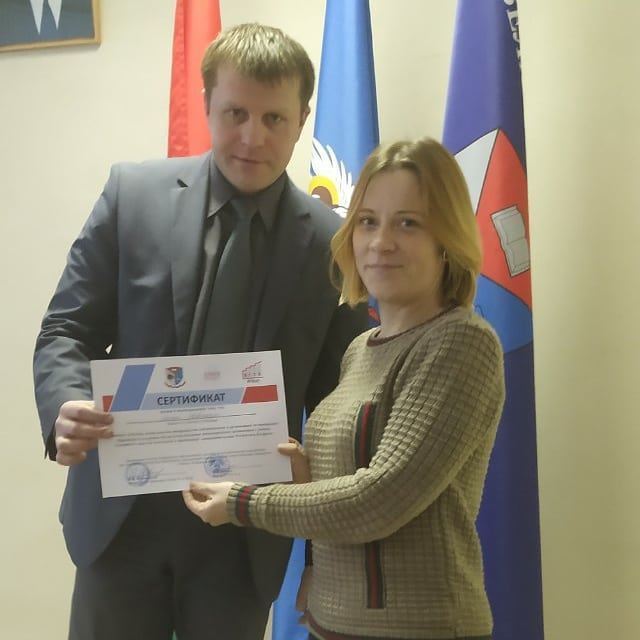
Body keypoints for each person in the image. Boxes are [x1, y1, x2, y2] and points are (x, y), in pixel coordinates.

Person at [33, 23, 367, 640]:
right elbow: (65, 330)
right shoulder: (132, 196)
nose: (252, 137)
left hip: (245, 536)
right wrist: (65, 405)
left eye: (274, 118)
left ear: (302, 119)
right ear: (208, 102)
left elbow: (340, 400)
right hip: (121, 521)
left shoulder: (335, 246)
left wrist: (319, 515)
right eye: (236, 112)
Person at [184, 138, 506, 640]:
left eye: (408, 223)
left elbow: (379, 500)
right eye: (367, 221)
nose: (381, 242)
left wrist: (246, 502)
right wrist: (303, 476)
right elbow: (348, 488)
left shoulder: (461, 342)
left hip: (423, 629)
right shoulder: (360, 349)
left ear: (447, 240)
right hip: (330, 622)